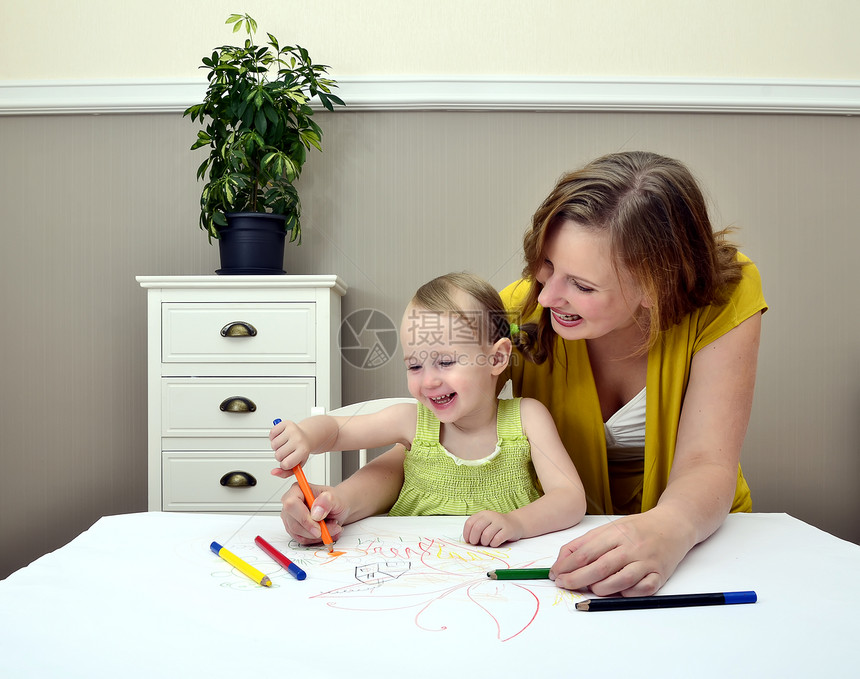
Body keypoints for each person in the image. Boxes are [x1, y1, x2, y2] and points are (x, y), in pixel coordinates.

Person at [500, 150, 767, 596]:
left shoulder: (729, 294)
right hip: (554, 544)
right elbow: (431, 427)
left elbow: (707, 461)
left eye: (582, 286)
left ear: (658, 285)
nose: (547, 298)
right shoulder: (519, 309)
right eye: (546, 268)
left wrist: (669, 528)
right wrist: (352, 495)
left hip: (703, 541)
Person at [270, 272, 586, 548]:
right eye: (415, 365)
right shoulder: (411, 421)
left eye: (446, 362)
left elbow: (570, 498)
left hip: (500, 571)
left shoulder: (527, 418)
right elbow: (339, 430)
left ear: (496, 358)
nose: (429, 381)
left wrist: (517, 523)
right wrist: (305, 436)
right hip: (416, 570)